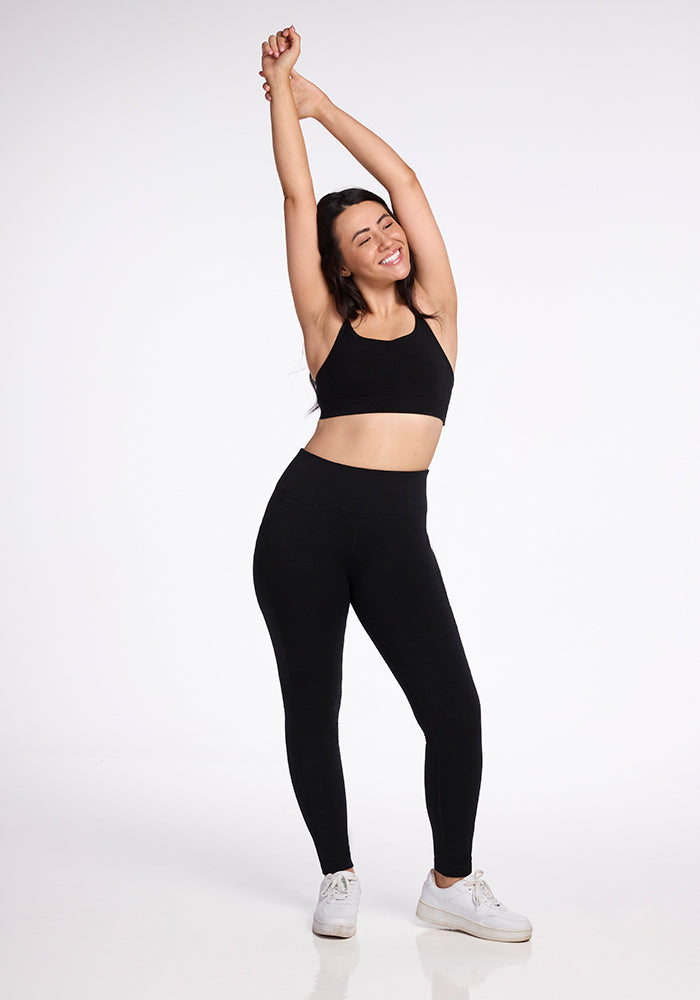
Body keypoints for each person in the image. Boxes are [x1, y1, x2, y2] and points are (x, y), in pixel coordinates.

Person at [252, 25, 532, 944]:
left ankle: (451, 880)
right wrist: (279, 92)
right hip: (306, 522)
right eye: (363, 237)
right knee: (313, 703)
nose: (385, 237)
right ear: (341, 264)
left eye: (386, 227)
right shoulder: (325, 326)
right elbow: (297, 197)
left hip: (393, 535)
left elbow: (407, 183)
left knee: (453, 707)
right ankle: (336, 872)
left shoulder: (438, 317)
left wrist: (323, 105)